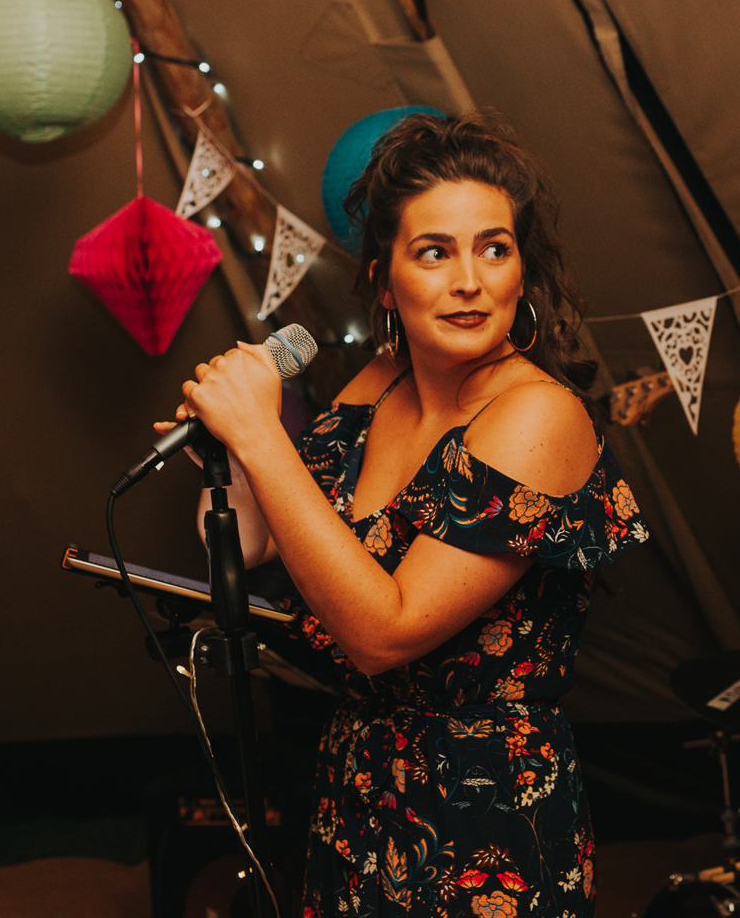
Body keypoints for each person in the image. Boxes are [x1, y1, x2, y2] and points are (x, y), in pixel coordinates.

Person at [167, 112, 649, 918]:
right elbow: (251, 542)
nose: (470, 280)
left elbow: (382, 632)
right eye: (435, 251)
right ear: (385, 281)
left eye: (494, 248)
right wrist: (227, 455)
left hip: (485, 820)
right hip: (357, 783)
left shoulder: (539, 416)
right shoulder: (378, 381)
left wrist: (264, 435)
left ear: (521, 270)